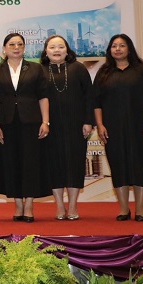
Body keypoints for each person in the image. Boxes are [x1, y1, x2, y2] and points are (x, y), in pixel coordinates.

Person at [93, 34, 143, 222]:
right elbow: (96, 102)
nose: (118, 49)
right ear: (110, 50)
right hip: (112, 128)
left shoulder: (142, 70)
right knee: (118, 166)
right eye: (114, 46)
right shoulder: (104, 72)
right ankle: (123, 209)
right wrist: (100, 124)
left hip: (139, 126)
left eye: (122, 45)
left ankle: (140, 210)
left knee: (140, 165)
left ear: (129, 48)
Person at [0, 33, 50, 222]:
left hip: (32, 122)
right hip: (6, 123)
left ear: (24, 48)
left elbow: (43, 96)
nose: (16, 47)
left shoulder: (36, 68)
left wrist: (45, 122)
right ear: (4, 48)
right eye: (12, 44)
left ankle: (29, 205)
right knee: (11, 163)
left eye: (19, 44)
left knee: (30, 163)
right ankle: (18, 204)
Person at [40, 35, 93, 220]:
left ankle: (72, 206)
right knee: (53, 165)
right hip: (50, 125)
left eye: (61, 47)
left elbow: (89, 96)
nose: (57, 50)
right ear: (46, 51)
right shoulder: (40, 71)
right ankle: (59, 206)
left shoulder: (78, 68)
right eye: (52, 47)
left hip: (76, 124)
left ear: (67, 50)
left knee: (74, 164)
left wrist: (88, 121)